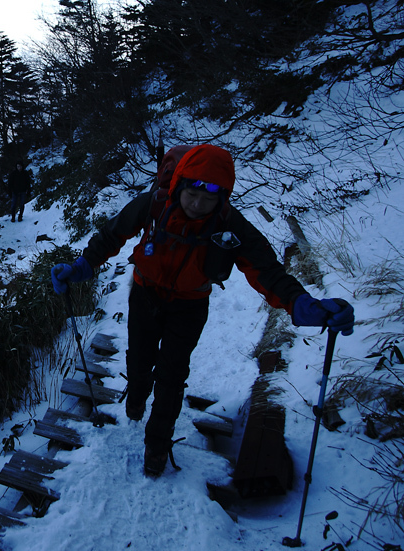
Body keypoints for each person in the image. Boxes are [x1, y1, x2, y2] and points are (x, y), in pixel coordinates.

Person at [51, 144, 354, 478]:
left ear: (221, 198)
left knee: (172, 375)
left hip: (190, 306)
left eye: (208, 199)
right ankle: (135, 398)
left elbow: (267, 271)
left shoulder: (229, 224)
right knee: (138, 360)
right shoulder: (154, 204)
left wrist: (302, 305)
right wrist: (81, 267)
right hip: (145, 296)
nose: (198, 205)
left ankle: (157, 444)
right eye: (192, 194)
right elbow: (112, 234)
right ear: (179, 186)